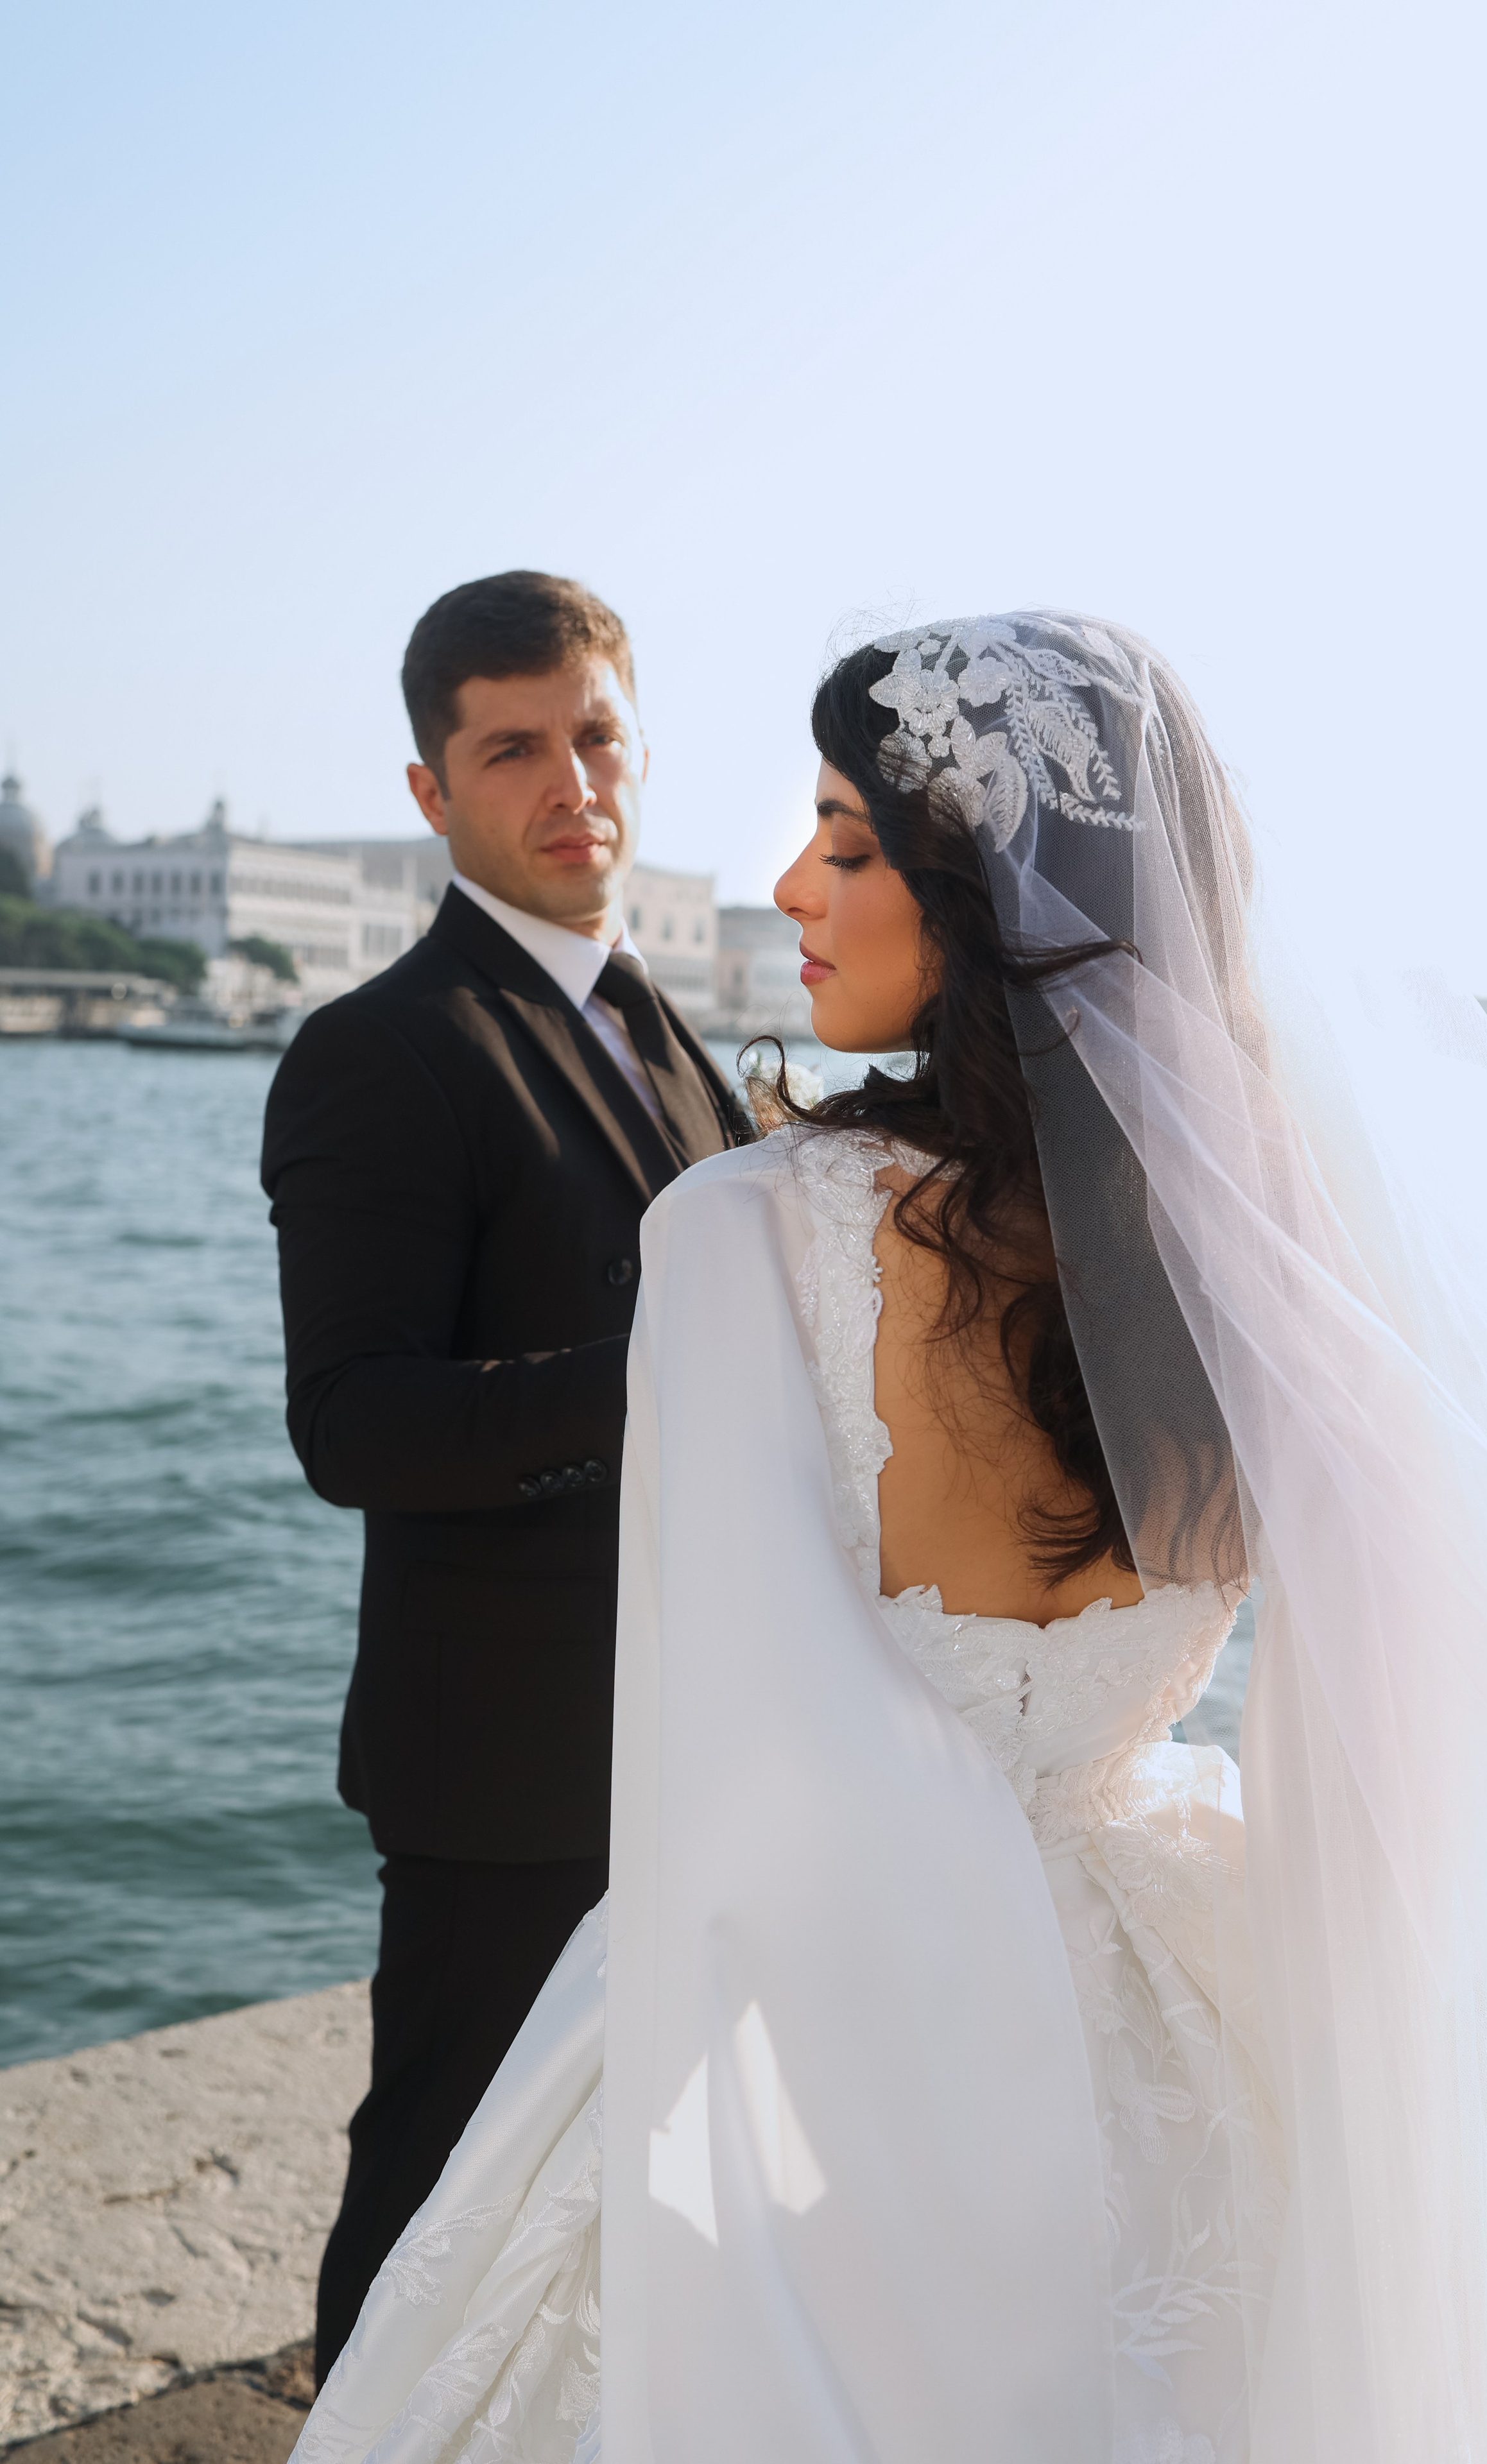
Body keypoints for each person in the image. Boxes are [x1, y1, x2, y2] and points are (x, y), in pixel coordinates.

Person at [293, 614, 1487, 2461]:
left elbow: (763, 1786)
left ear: (984, 897)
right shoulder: (1279, 1247)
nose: (788, 881)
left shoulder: (751, 1230)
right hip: (1192, 1966)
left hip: (833, 1999)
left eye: (849, 844)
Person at [261, 571, 743, 2384]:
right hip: (503, 1759)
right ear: (432, 792)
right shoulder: (381, 1053)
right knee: (437, 2179)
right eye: (515, 747)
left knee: (623, 2187)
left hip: (692, 1728)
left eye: (597, 735)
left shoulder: (661, 1024)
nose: (572, 782)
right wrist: (651, 1382)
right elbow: (356, 1425)